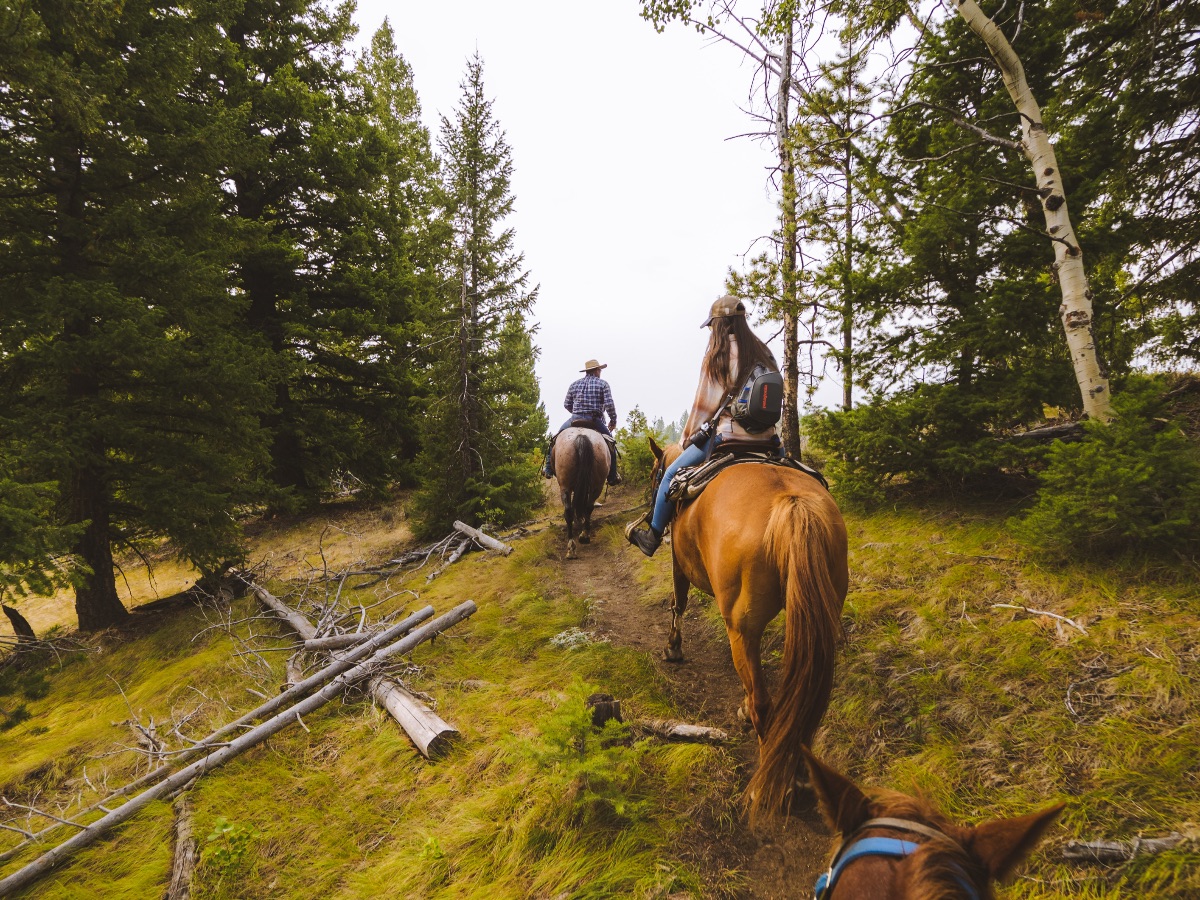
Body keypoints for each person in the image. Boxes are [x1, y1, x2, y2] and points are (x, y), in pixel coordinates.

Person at [626, 295, 779, 557]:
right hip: (768, 439)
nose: (710, 331)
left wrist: (686, 440)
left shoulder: (718, 355)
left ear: (720, 325)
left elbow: (702, 408)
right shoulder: (763, 352)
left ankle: (652, 535)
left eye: (711, 326)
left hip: (728, 436)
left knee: (671, 474)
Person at [543, 359, 621, 485]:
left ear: (587, 371)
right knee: (611, 444)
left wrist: (577, 412)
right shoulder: (603, 384)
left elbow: (566, 404)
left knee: (555, 439)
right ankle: (612, 476)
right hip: (595, 420)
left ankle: (548, 469)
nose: (600, 372)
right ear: (596, 370)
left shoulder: (574, 384)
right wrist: (613, 420)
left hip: (575, 419)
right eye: (599, 370)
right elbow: (609, 405)